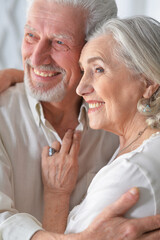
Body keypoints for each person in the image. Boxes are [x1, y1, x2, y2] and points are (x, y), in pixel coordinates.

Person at [0, 0, 160, 238]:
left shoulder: (115, 115)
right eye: (31, 35)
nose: (36, 57)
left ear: (93, 45)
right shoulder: (4, 113)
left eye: (59, 42)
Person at [41, 15, 160, 235]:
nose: (81, 88)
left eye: (98, 69)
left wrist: (55, 195)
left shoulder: (132, 171)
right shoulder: (142, 147)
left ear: (149, 82)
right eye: (83, 71)